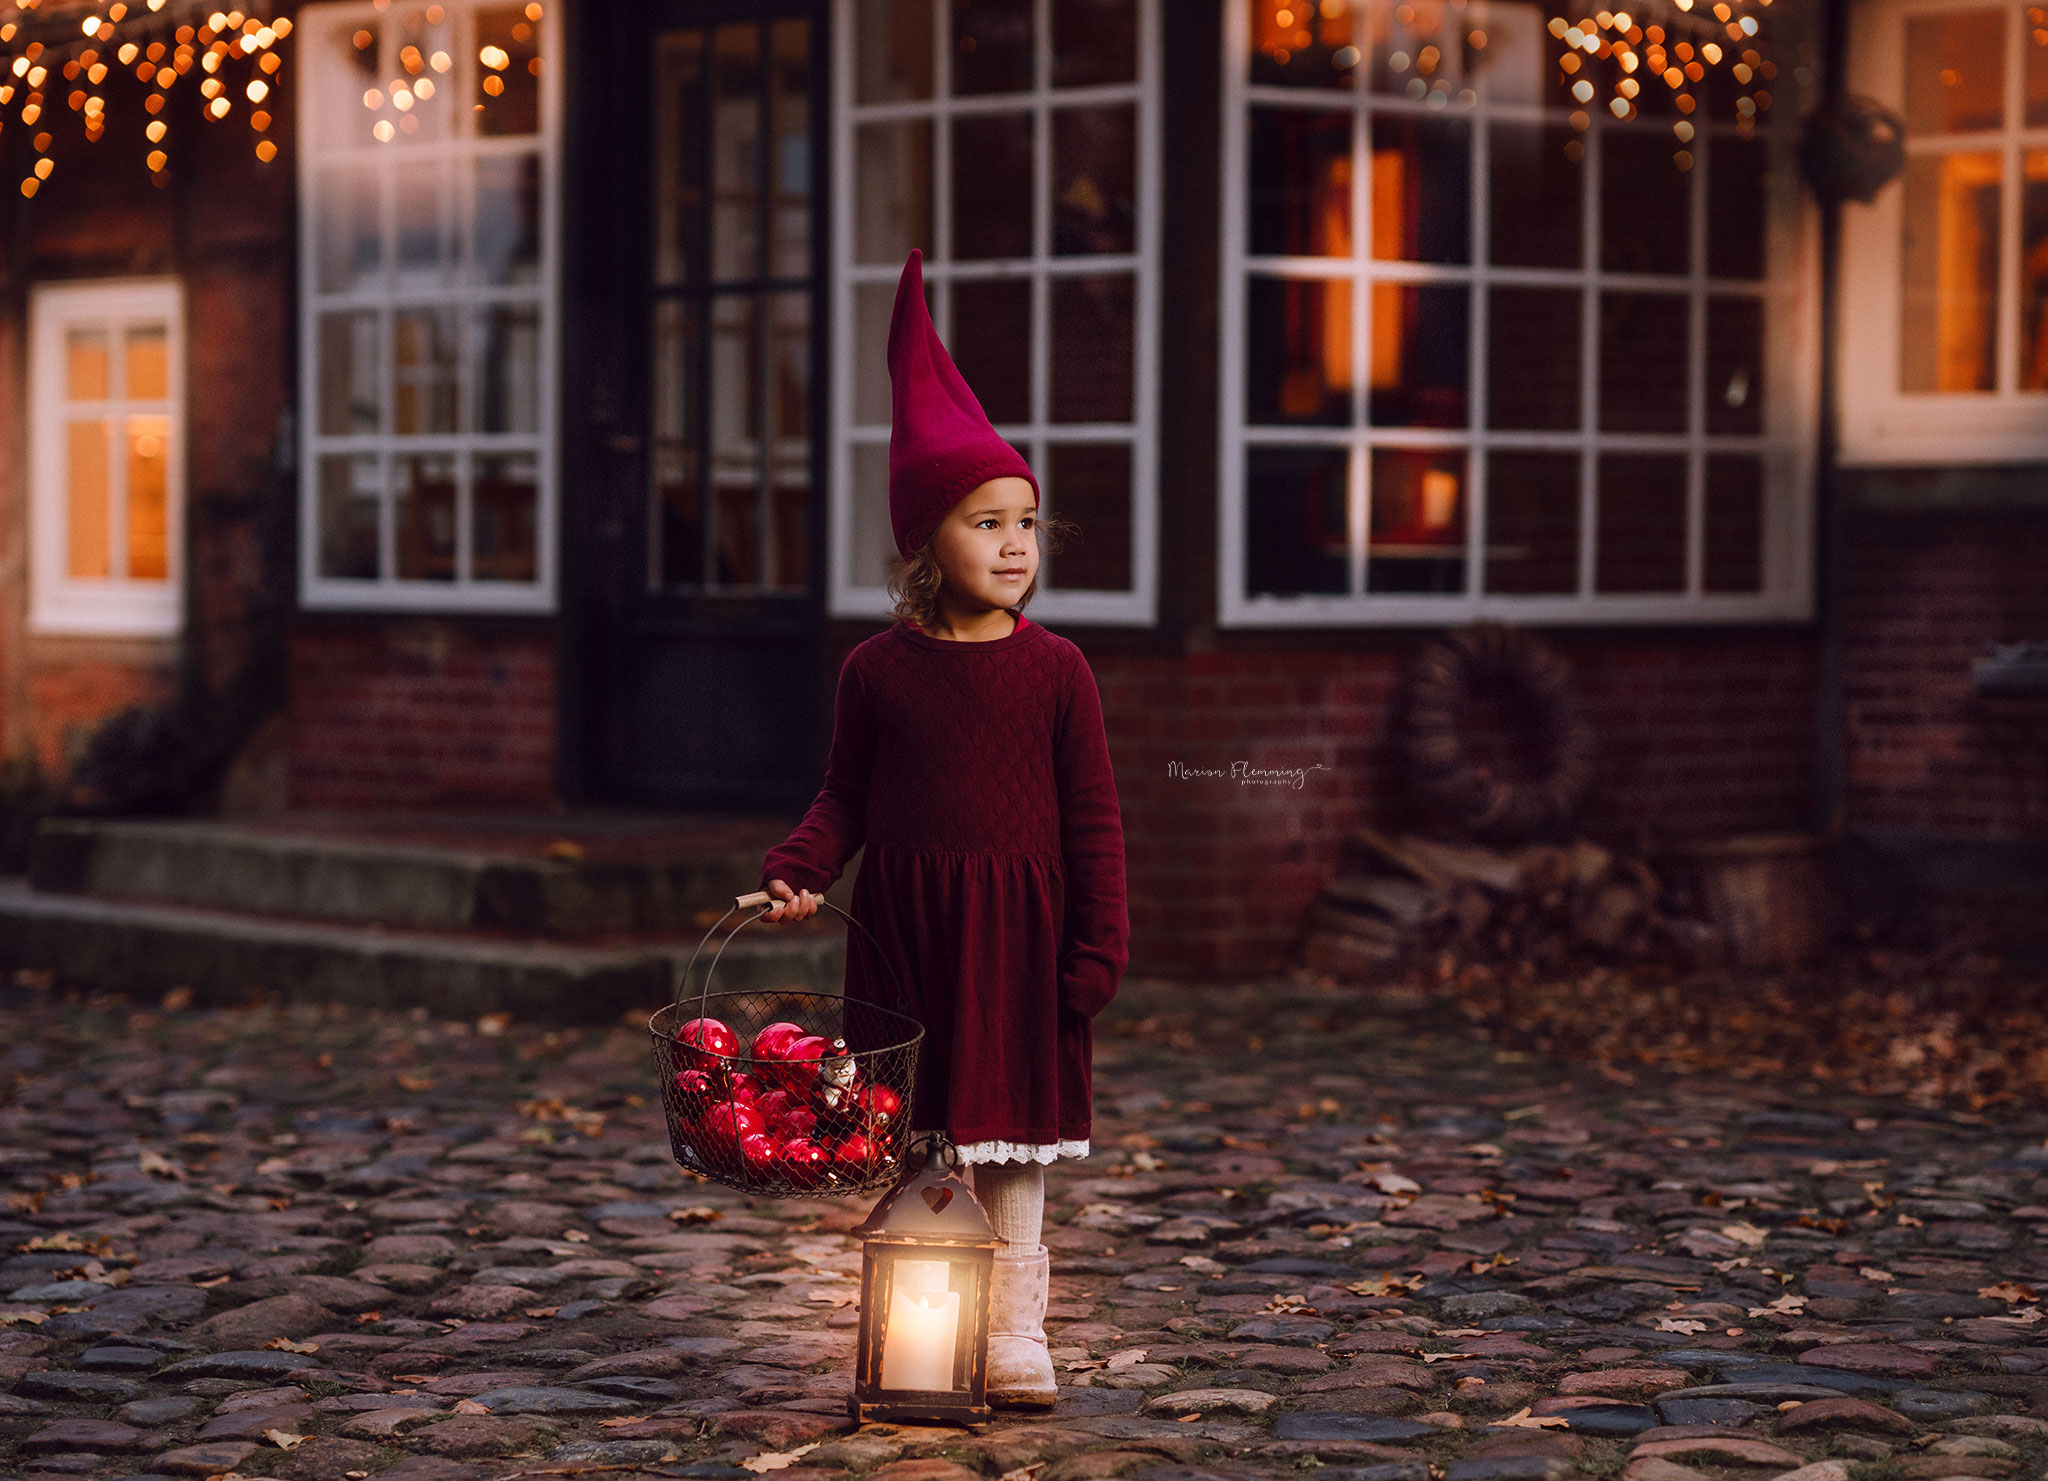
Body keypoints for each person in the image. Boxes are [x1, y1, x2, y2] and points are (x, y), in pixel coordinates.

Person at [758, 249, 1129, 1410]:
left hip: (1022, 939)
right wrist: (800, 866)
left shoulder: (1058, 671)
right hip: (911, 940)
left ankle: (1015, 1333)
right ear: (928, 546)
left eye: (1026, 521)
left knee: (1011, 1148)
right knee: (927, 1142)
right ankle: (929, 1333)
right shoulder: (878, 672)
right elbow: (847, 798)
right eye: (986, 522)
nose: (1016, 544)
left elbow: (1094, 818)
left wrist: (1097, 943)